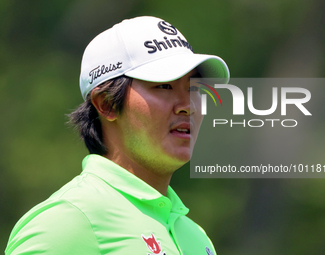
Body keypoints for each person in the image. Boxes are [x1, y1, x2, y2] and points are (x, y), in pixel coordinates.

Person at [5, 16, 229, 255]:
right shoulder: (66, 222)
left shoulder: (197, 237)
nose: (188, 105)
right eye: (164, 85)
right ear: (107, 104)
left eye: (193, 87)